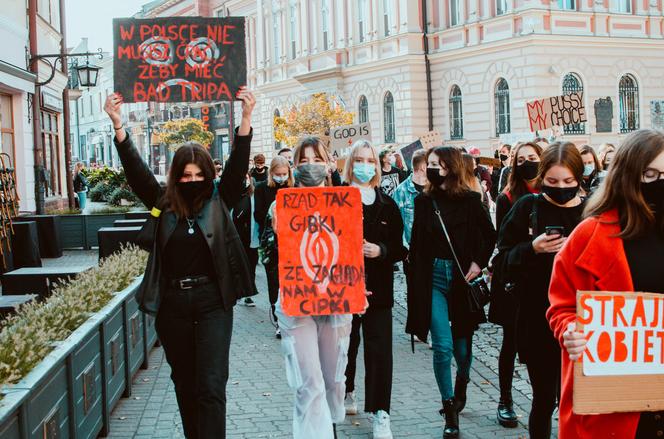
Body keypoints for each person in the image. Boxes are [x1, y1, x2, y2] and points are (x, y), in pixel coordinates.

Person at [103, 87, 256, 439]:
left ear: (207, 174)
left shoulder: (221, 198)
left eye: (198, 175)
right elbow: (137, 172)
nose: (191, 181)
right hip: (173, 306)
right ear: (176, 176)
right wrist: (118, 126)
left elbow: (235, 167)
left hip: (214, 302)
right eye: (184, 176)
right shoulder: (163, 202)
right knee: (186, 386)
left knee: (212, 386)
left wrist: (246, 120)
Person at [547, 129, 664, 438]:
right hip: (614, 402)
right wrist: (570, 330)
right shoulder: (588, 236)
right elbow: (562, 308)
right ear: (627, 176)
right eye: (649, 174)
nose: (658, 183)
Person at [272, 136, 362, 439]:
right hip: (297, 302)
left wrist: (357, 284)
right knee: (308, 380)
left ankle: (329, 427)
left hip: (336, 301)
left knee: (333, 379)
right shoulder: (282, 204)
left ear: (329, 164)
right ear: (294, 166)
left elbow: (349, 249)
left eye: (316, 159)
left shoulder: (346, 203)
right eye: (303, 160)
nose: (310, 165)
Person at [406, 146, 496, 439]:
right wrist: (415, 282)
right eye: (431, 164)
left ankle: (463, 383)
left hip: (461, 279)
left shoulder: (471, 201)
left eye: (440, 165)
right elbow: (417, 244)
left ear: (453, 168)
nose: (433, 169)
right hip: (433, 277)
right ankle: (449, 408)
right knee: (442, 347)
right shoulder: (424, 201)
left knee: (463, 349)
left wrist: (478, 262)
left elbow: (490, 235)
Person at [497, 142, 586, 439]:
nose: (561, 188)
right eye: (552, 182)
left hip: (583, 320)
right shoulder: (528, 207)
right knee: (544, 399)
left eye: (568, 182)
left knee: (578, 402)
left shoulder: (591, 211)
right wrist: (531, 248)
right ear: (542, 178)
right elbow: (503, 258)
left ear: (579, 178)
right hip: (538, 317)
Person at [342, 140, 407, 439]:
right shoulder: (338, 199)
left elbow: (398, 247)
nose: (365, 165)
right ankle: (347, 388)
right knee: (347, 346)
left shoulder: (387, 204)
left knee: (380, 352)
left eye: (369, 160)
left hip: (378, 291)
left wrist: (379, 251)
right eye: (359, 159)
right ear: (350, 163)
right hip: (344, 289)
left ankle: (381, 412)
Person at [488, 141, 543, 428]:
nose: (527, 163)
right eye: (521, 159)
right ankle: (506, 400)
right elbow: (504, 241)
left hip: (546, 281)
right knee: (510, 342)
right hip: (516, 280)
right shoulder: (508, 197)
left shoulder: (553, 192)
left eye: (532, 158)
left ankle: (545, 398)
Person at [255, 156, 294, 337]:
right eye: (277, 174)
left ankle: (292, 317)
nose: (281, 177)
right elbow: (258, 214)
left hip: (292, 242)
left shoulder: (293, 188)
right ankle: (278, 321)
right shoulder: (263, 188)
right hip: (272, 242)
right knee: (274, 282)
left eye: (284, 174)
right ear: (271, 174)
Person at [231, 173, 260, 307]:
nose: (245, 181)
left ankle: (248, 294)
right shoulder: (232, 196)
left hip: (251, 236)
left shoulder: (253, 195)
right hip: (236, 237)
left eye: (246, 178)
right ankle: (237, 291)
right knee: (236, 266)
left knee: (251, 265)